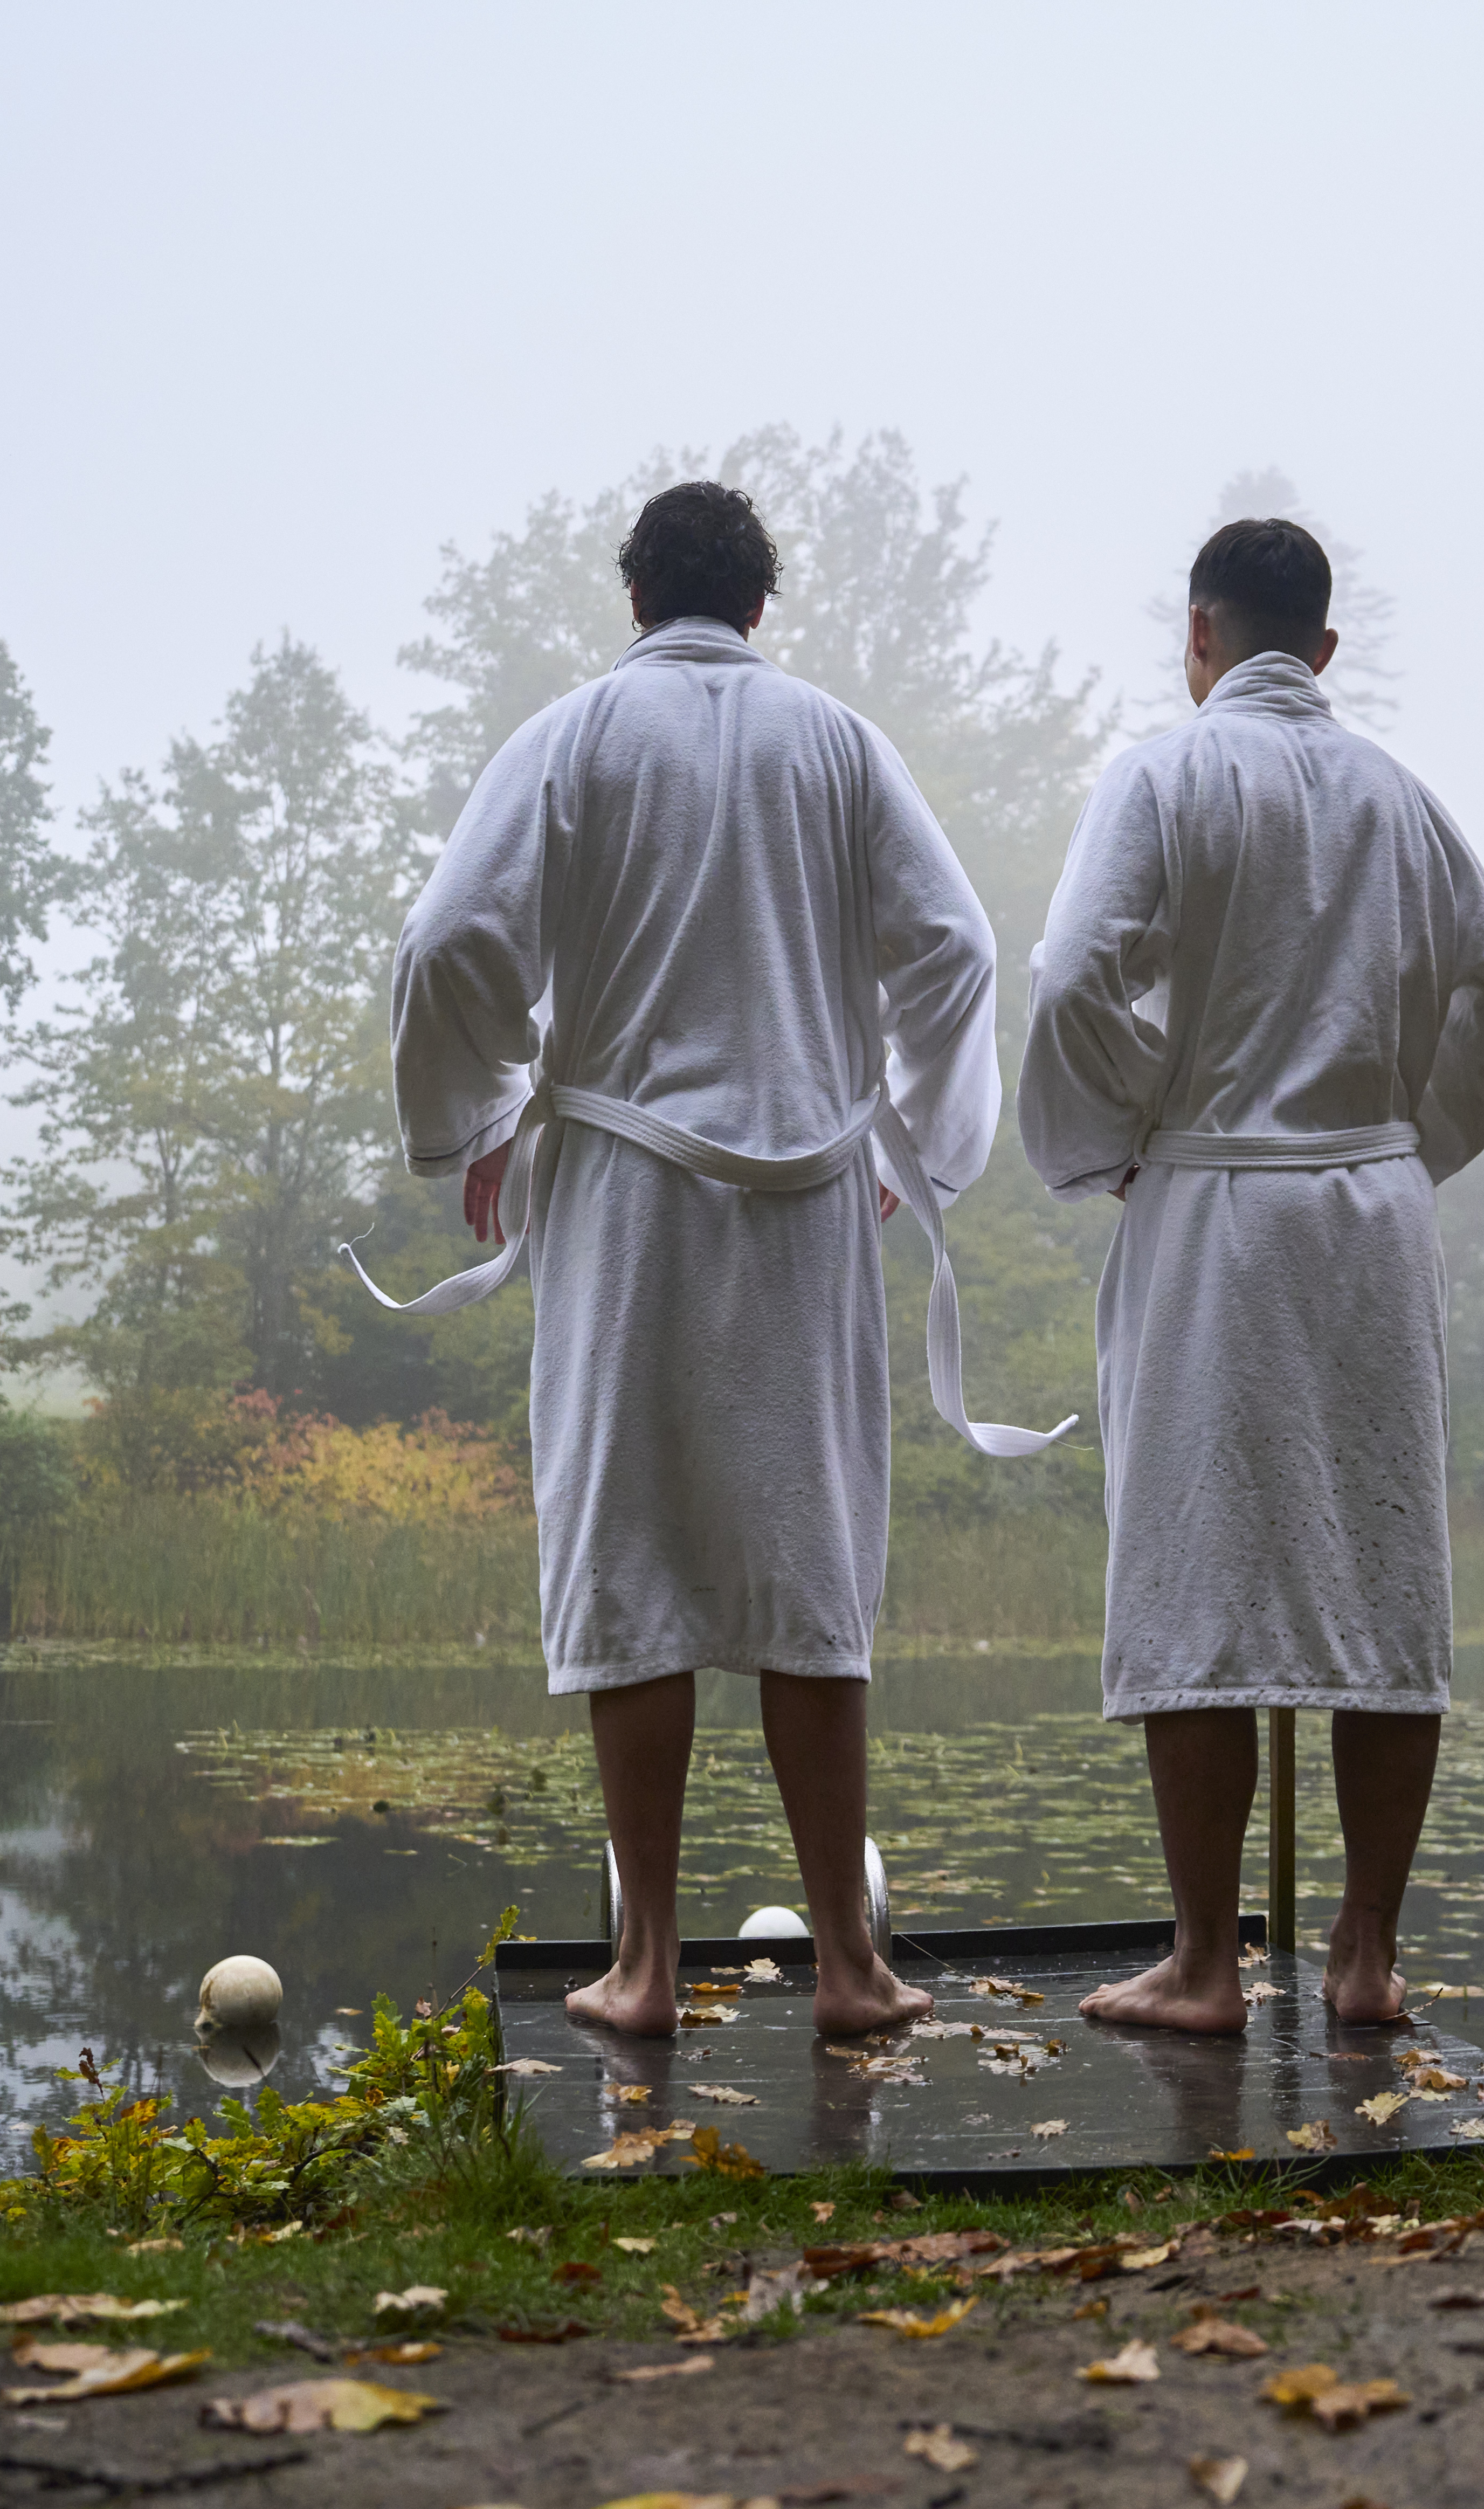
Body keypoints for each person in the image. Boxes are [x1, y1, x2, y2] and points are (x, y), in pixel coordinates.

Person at [373, 480, 1062, 2039]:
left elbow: (445, 949)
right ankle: (851, 1965)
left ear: (636, 601)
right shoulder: (836, 742)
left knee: (634, 1559)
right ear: (763, 603)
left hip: (623, 1198)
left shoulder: (571, 740)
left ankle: (648, 1964)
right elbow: (957, 948)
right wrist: (912, 1140)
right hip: (810, 1199)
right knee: (809, 1563)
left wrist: (475, 1118)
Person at [1021, 516, 1484, 2031]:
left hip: (1214, 1213)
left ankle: (1205, 1966)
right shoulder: (1402, 796)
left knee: (1197, 1571)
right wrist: (1404, 1146)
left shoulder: (1166, 774)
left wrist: (1108, 1140)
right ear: (1323, 650)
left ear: (1197, 636)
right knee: (1384, 1573)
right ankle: (1366, 1960)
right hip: (1370, 1219)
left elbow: (1069, 978)